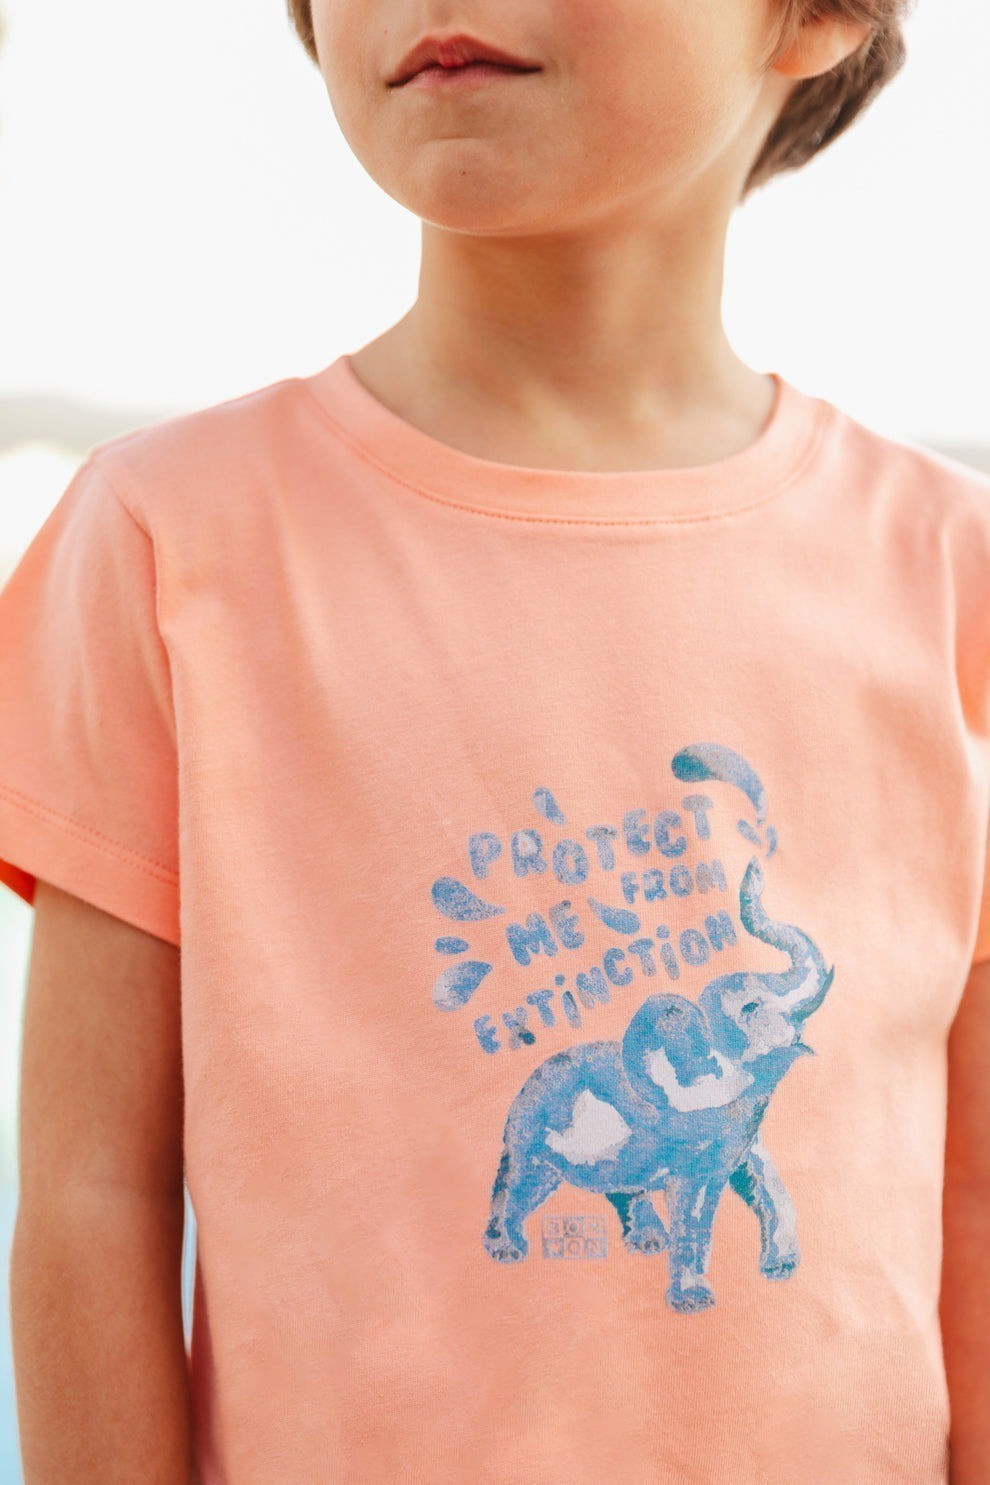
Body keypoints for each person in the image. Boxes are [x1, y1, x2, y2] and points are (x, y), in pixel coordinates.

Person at [3, 0, 988, 1479]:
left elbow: (972, 1201)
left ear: (815, 16)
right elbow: (92, 1195)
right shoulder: (167, 541)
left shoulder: (949, 575)